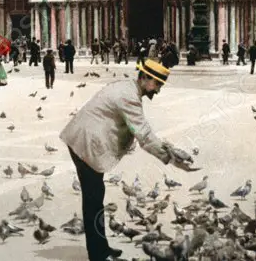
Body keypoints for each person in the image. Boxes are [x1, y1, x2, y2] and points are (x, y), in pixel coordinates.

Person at [61, 59, 184, 261]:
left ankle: (100, 248)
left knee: (95, 198)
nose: (158, 90)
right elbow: (142, 132)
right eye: (157, 84)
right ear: (144, 77)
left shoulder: (128, 88)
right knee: (93, 199)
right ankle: (98, 254)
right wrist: (171, 158)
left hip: (84, 141)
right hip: (85, 144)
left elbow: (127, 125)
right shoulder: (129, 96)